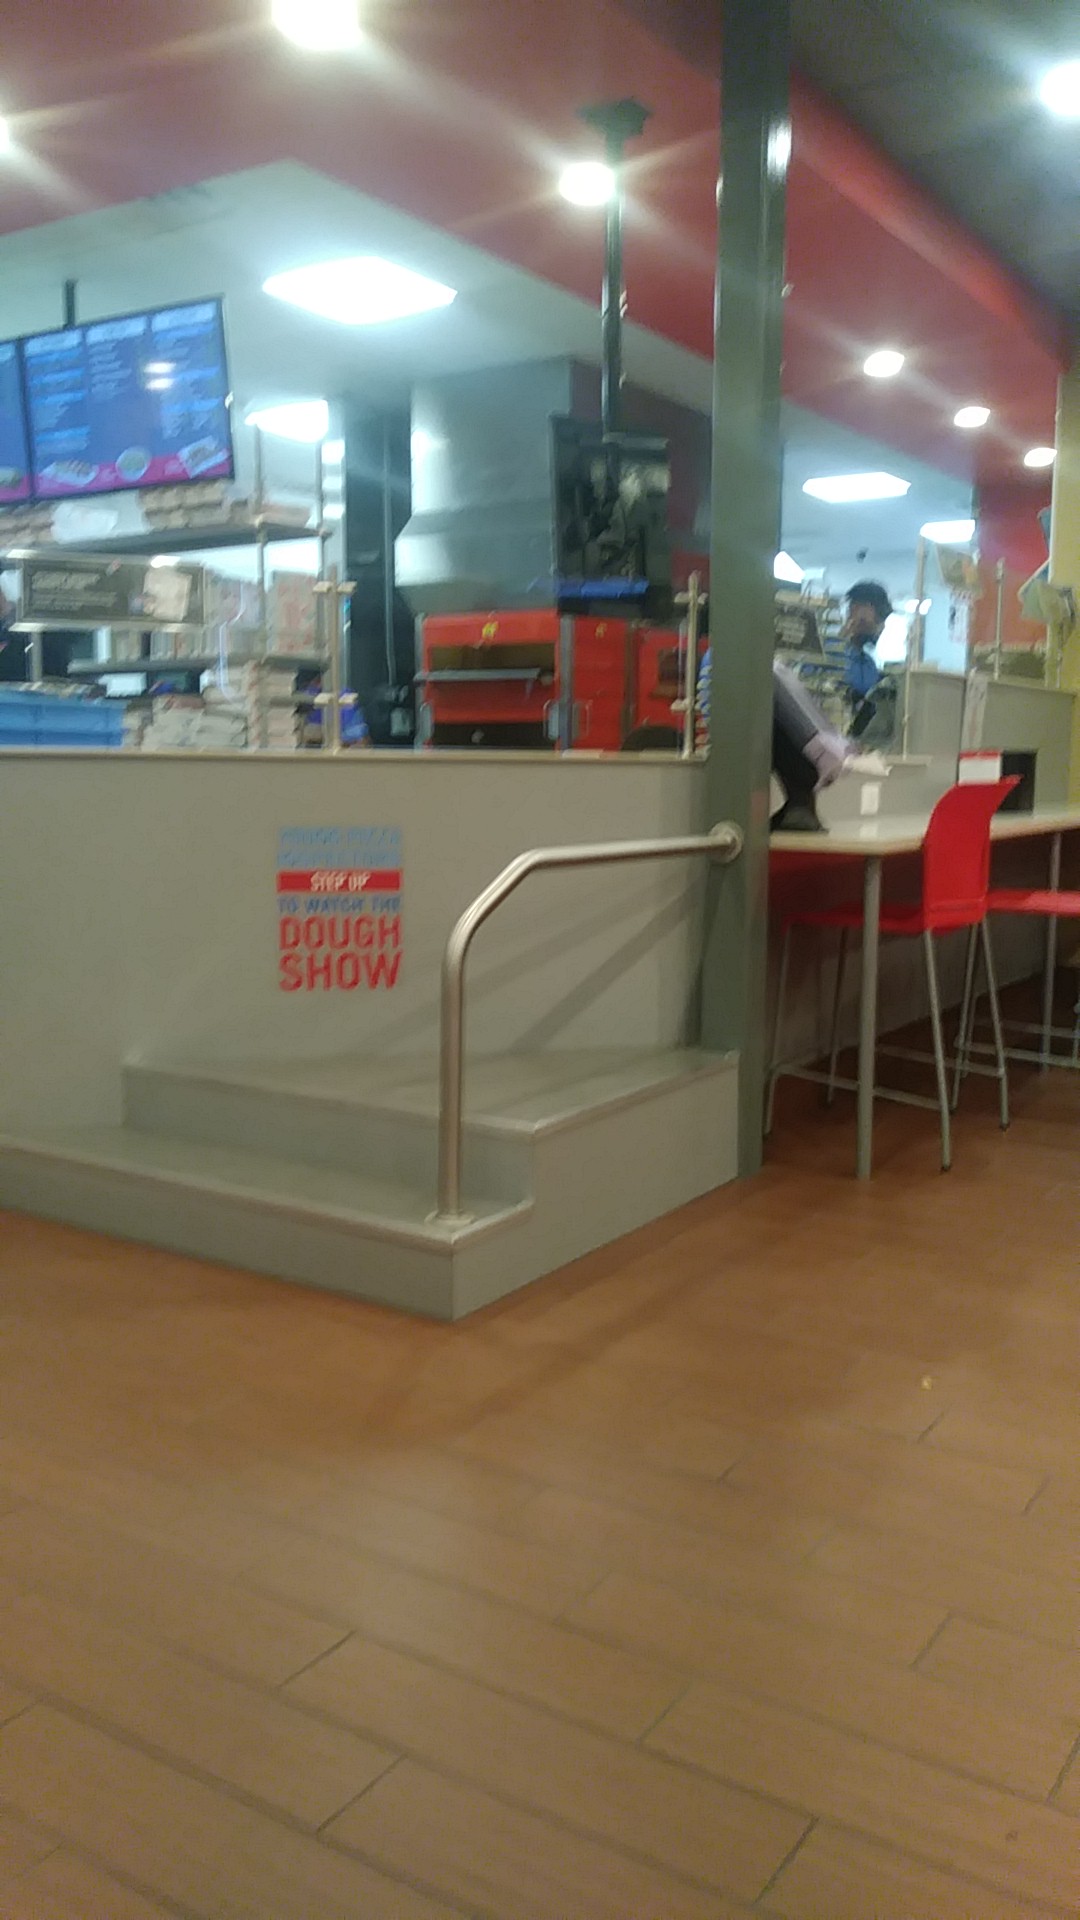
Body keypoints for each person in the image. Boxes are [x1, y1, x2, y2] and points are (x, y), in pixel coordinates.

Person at [838, 579, 891, 734]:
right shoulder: (831, 658)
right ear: (857, 610)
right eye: (880, 619)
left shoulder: (868, 664)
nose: (881, 627)